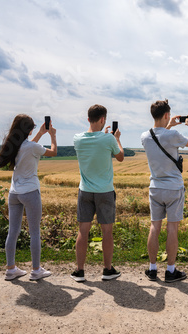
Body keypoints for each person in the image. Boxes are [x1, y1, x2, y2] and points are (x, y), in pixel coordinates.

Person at [0, 114, 57, 281]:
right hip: (30, 192)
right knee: (34, 232)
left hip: (14, 193)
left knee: (12, 231)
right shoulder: (32, 147)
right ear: (29, 130)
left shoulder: (13, 145)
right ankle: (36, 270)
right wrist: (52, 135)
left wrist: (40, 133)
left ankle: (11, 269)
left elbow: (28, 145)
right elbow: (53, 152)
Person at [141, 99, 188, 283]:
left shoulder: (144, 136)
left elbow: (158, 135)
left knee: (154, 227)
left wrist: (167, 124)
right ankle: (170, 270)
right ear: (167, 114)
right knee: (172, 228)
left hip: (155, 187)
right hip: (173, 188)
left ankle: (152, 269)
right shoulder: (173, 134)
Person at [70, 104, 124, 282]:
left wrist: (104, 135)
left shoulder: (77, 139)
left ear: (88, 119)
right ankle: (107, 270)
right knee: (107, 232)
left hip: (85, 190)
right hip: (105, 191)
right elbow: (120, 156)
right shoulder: (108, 139)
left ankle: (79, 271)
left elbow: (94, 141)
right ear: (103, 119)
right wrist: (116, 139)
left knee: (83, 231)